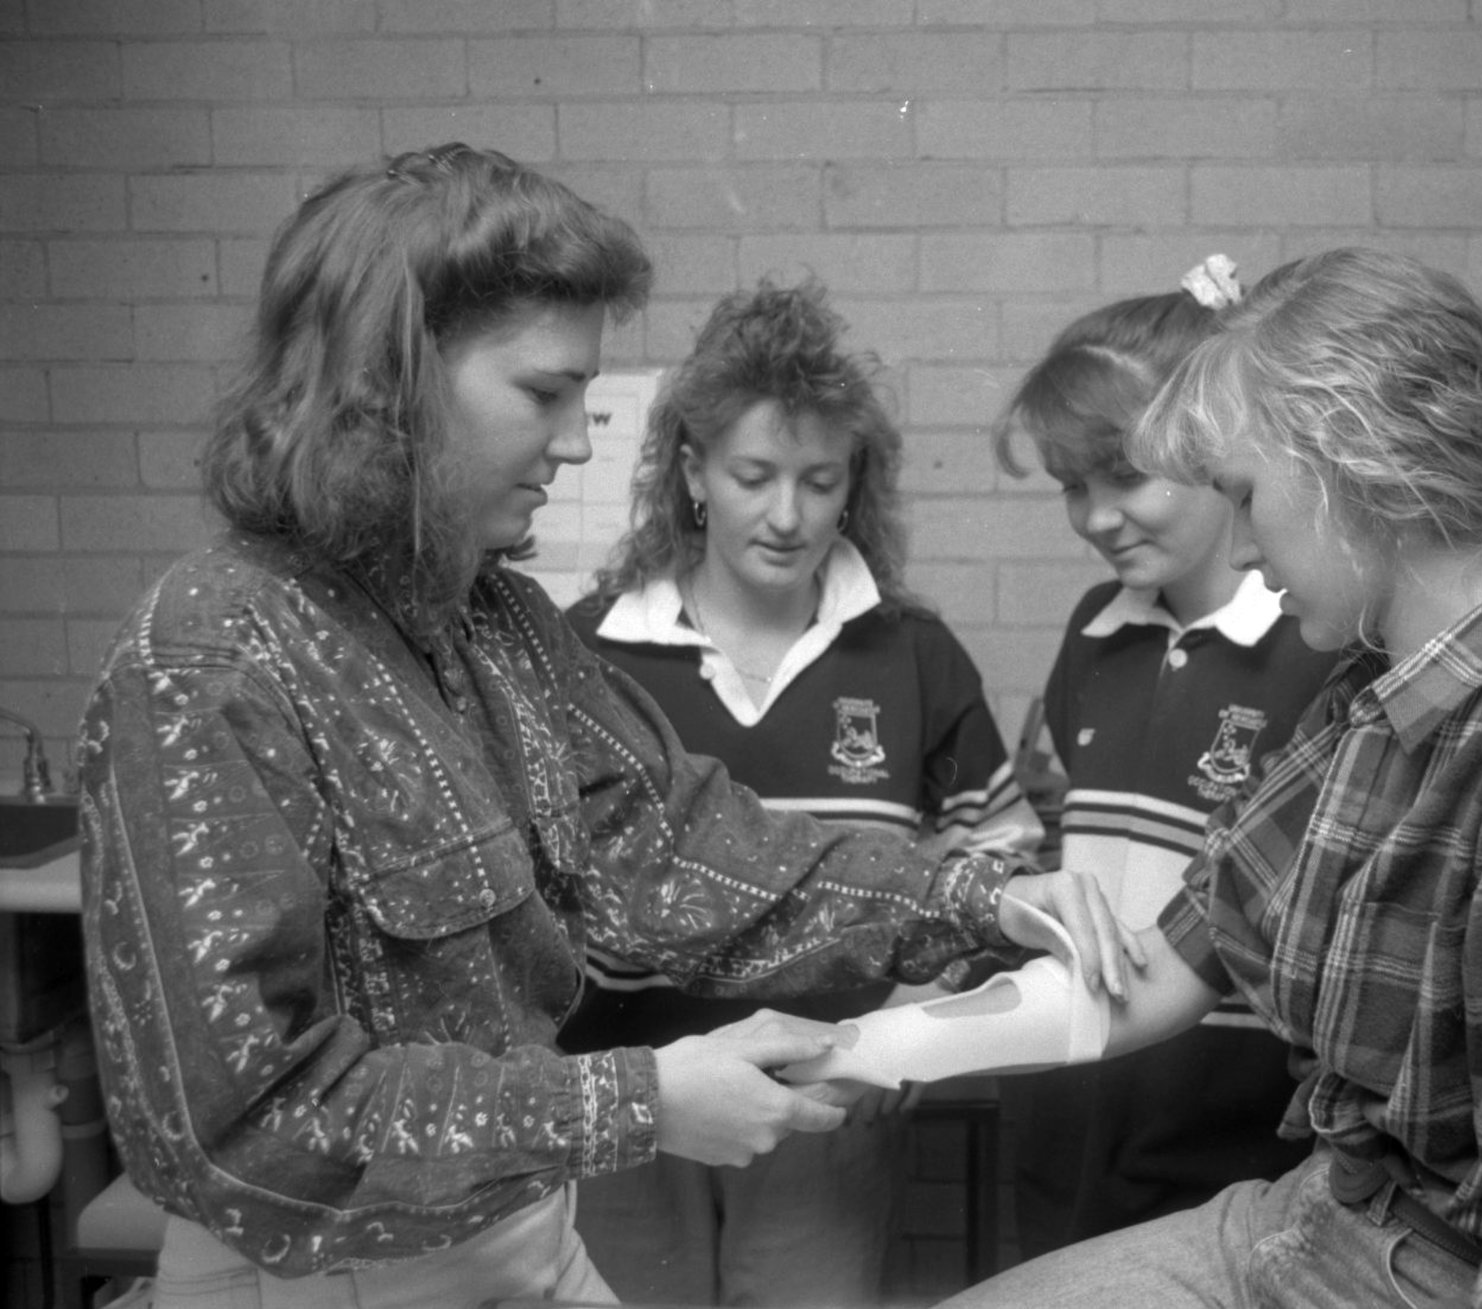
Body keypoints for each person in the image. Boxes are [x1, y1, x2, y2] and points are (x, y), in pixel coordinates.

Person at [72, 143, 1128, 1309]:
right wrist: (637, 1101)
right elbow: (239, 1128)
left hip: (518, 1229)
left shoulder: (497, 623)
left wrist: (978, 897)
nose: (578, 442)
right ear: (388, 382)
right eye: (544, 393)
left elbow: (680, 854)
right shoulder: (213, 655)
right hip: (324, 1278)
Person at [933, 247, 1482, 1307]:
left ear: (1356, 465)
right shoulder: (1374, 695)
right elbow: (1177, 950)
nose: (1240, 547)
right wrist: (863, 1046)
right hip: (1331, 1210)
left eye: (1245, 496)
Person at [561, 276, 1041, 1305]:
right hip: (635, 1098)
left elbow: (1003, 849)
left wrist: (917, 1013)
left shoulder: (911, 653)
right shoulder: (586, 649)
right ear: (692, 471)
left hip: (827, 1102)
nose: (787, 516)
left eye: (819, 482)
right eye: (753, 475)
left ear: (853, 483)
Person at [989, 255, 1340, 1257]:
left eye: (1126, 476)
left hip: (1227, 1125)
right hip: (1073, 1103)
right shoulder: (1093, 631)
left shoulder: (1314, 646)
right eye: (1072, 486)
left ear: (1216, 447)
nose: (1097, 517)